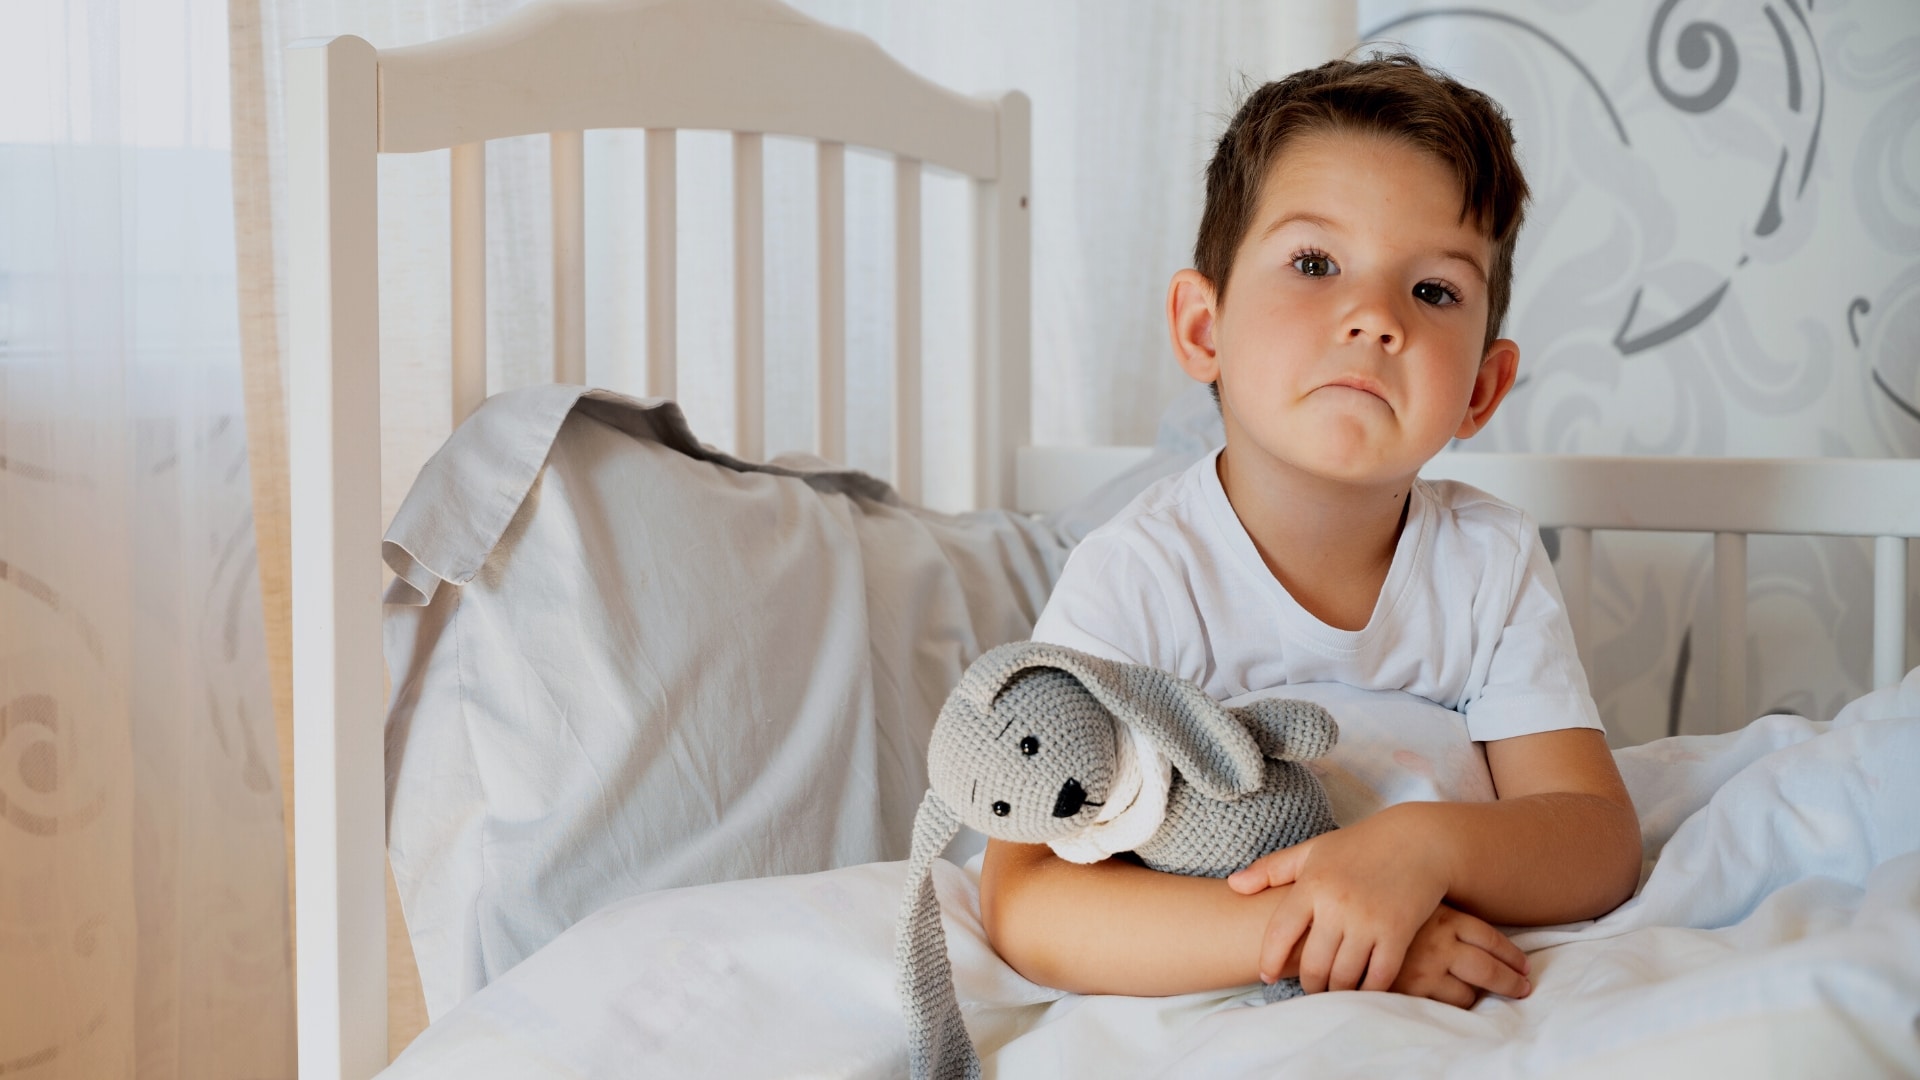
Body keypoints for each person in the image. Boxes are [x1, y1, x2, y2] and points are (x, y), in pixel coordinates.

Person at [978, 53, 1641, 1009]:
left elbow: (1595, 838)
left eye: (1434, 291)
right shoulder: (1138, 575)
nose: (1374, 317)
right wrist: (1312, 936)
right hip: (1234, 977)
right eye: (1316, 264)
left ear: (1482, 390)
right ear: (1204, 328)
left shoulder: (1488, 562)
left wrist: (1420, 850)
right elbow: (1025, 895)